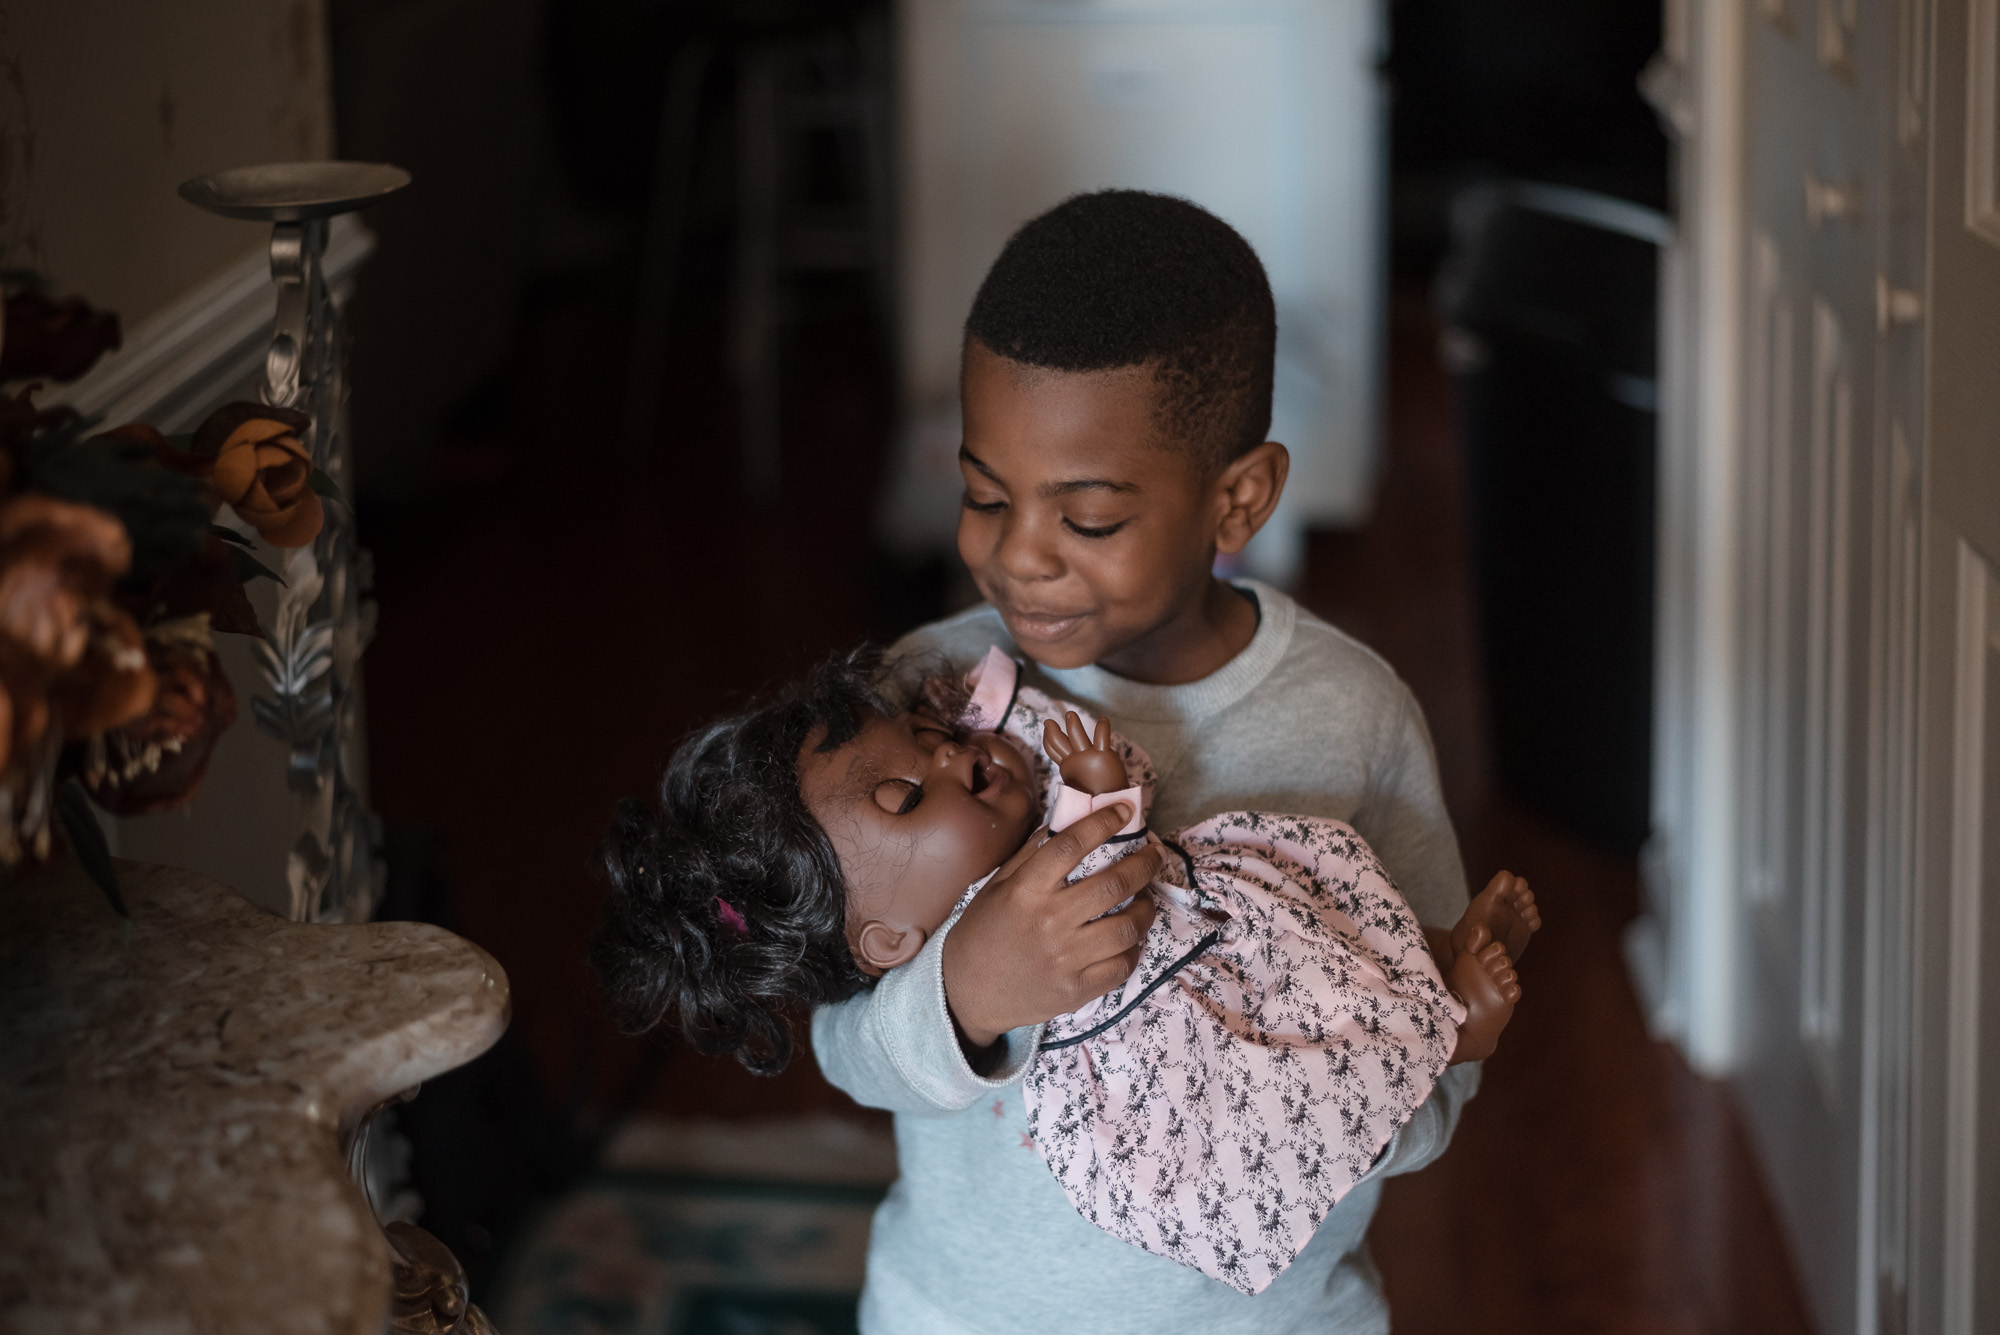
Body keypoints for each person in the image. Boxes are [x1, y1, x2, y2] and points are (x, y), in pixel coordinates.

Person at [591, 645, 1538, 1297]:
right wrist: (964, 990)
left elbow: (1112, 844)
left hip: (1275, 1299)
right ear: (885, 941)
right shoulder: (926, 671)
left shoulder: (1348, 705)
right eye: (985, 498)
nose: (951, 748)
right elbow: (848, 1053)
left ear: (1237, 493)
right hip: (966, 1313)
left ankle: (1443, 1001)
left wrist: (1356, 1111)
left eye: (1085, 511)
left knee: (1336, 968)